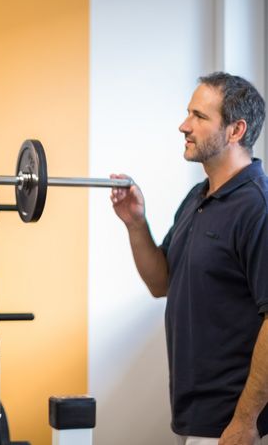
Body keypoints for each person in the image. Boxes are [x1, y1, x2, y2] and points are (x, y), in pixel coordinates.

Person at [111, 72, 268, 445]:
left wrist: (245, 422)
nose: (184, 126)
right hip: (195, 420)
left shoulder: (257, 207)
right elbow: (161, 282)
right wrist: (136, 224)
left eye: (199, 116)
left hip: (236, 426)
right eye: (188, 114)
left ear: (235, 130)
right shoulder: (199, 198)